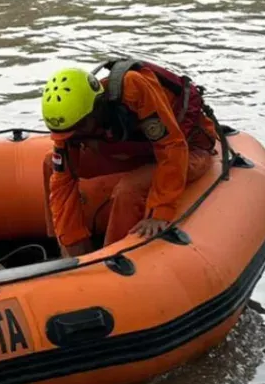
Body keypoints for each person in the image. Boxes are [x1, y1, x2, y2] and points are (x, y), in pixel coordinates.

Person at [41, 59, 220, 257]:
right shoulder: (73, 124)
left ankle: (112, 258)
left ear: (96, 109)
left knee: (129, 189)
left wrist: (160, 211)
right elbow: (62, 183)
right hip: (140, 151)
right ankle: (60, 249)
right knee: (52, 163)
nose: (73, 137)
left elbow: (172, 147)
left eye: (78, 129)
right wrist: (72, 243)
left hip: (188, 149)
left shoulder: (134, 89)